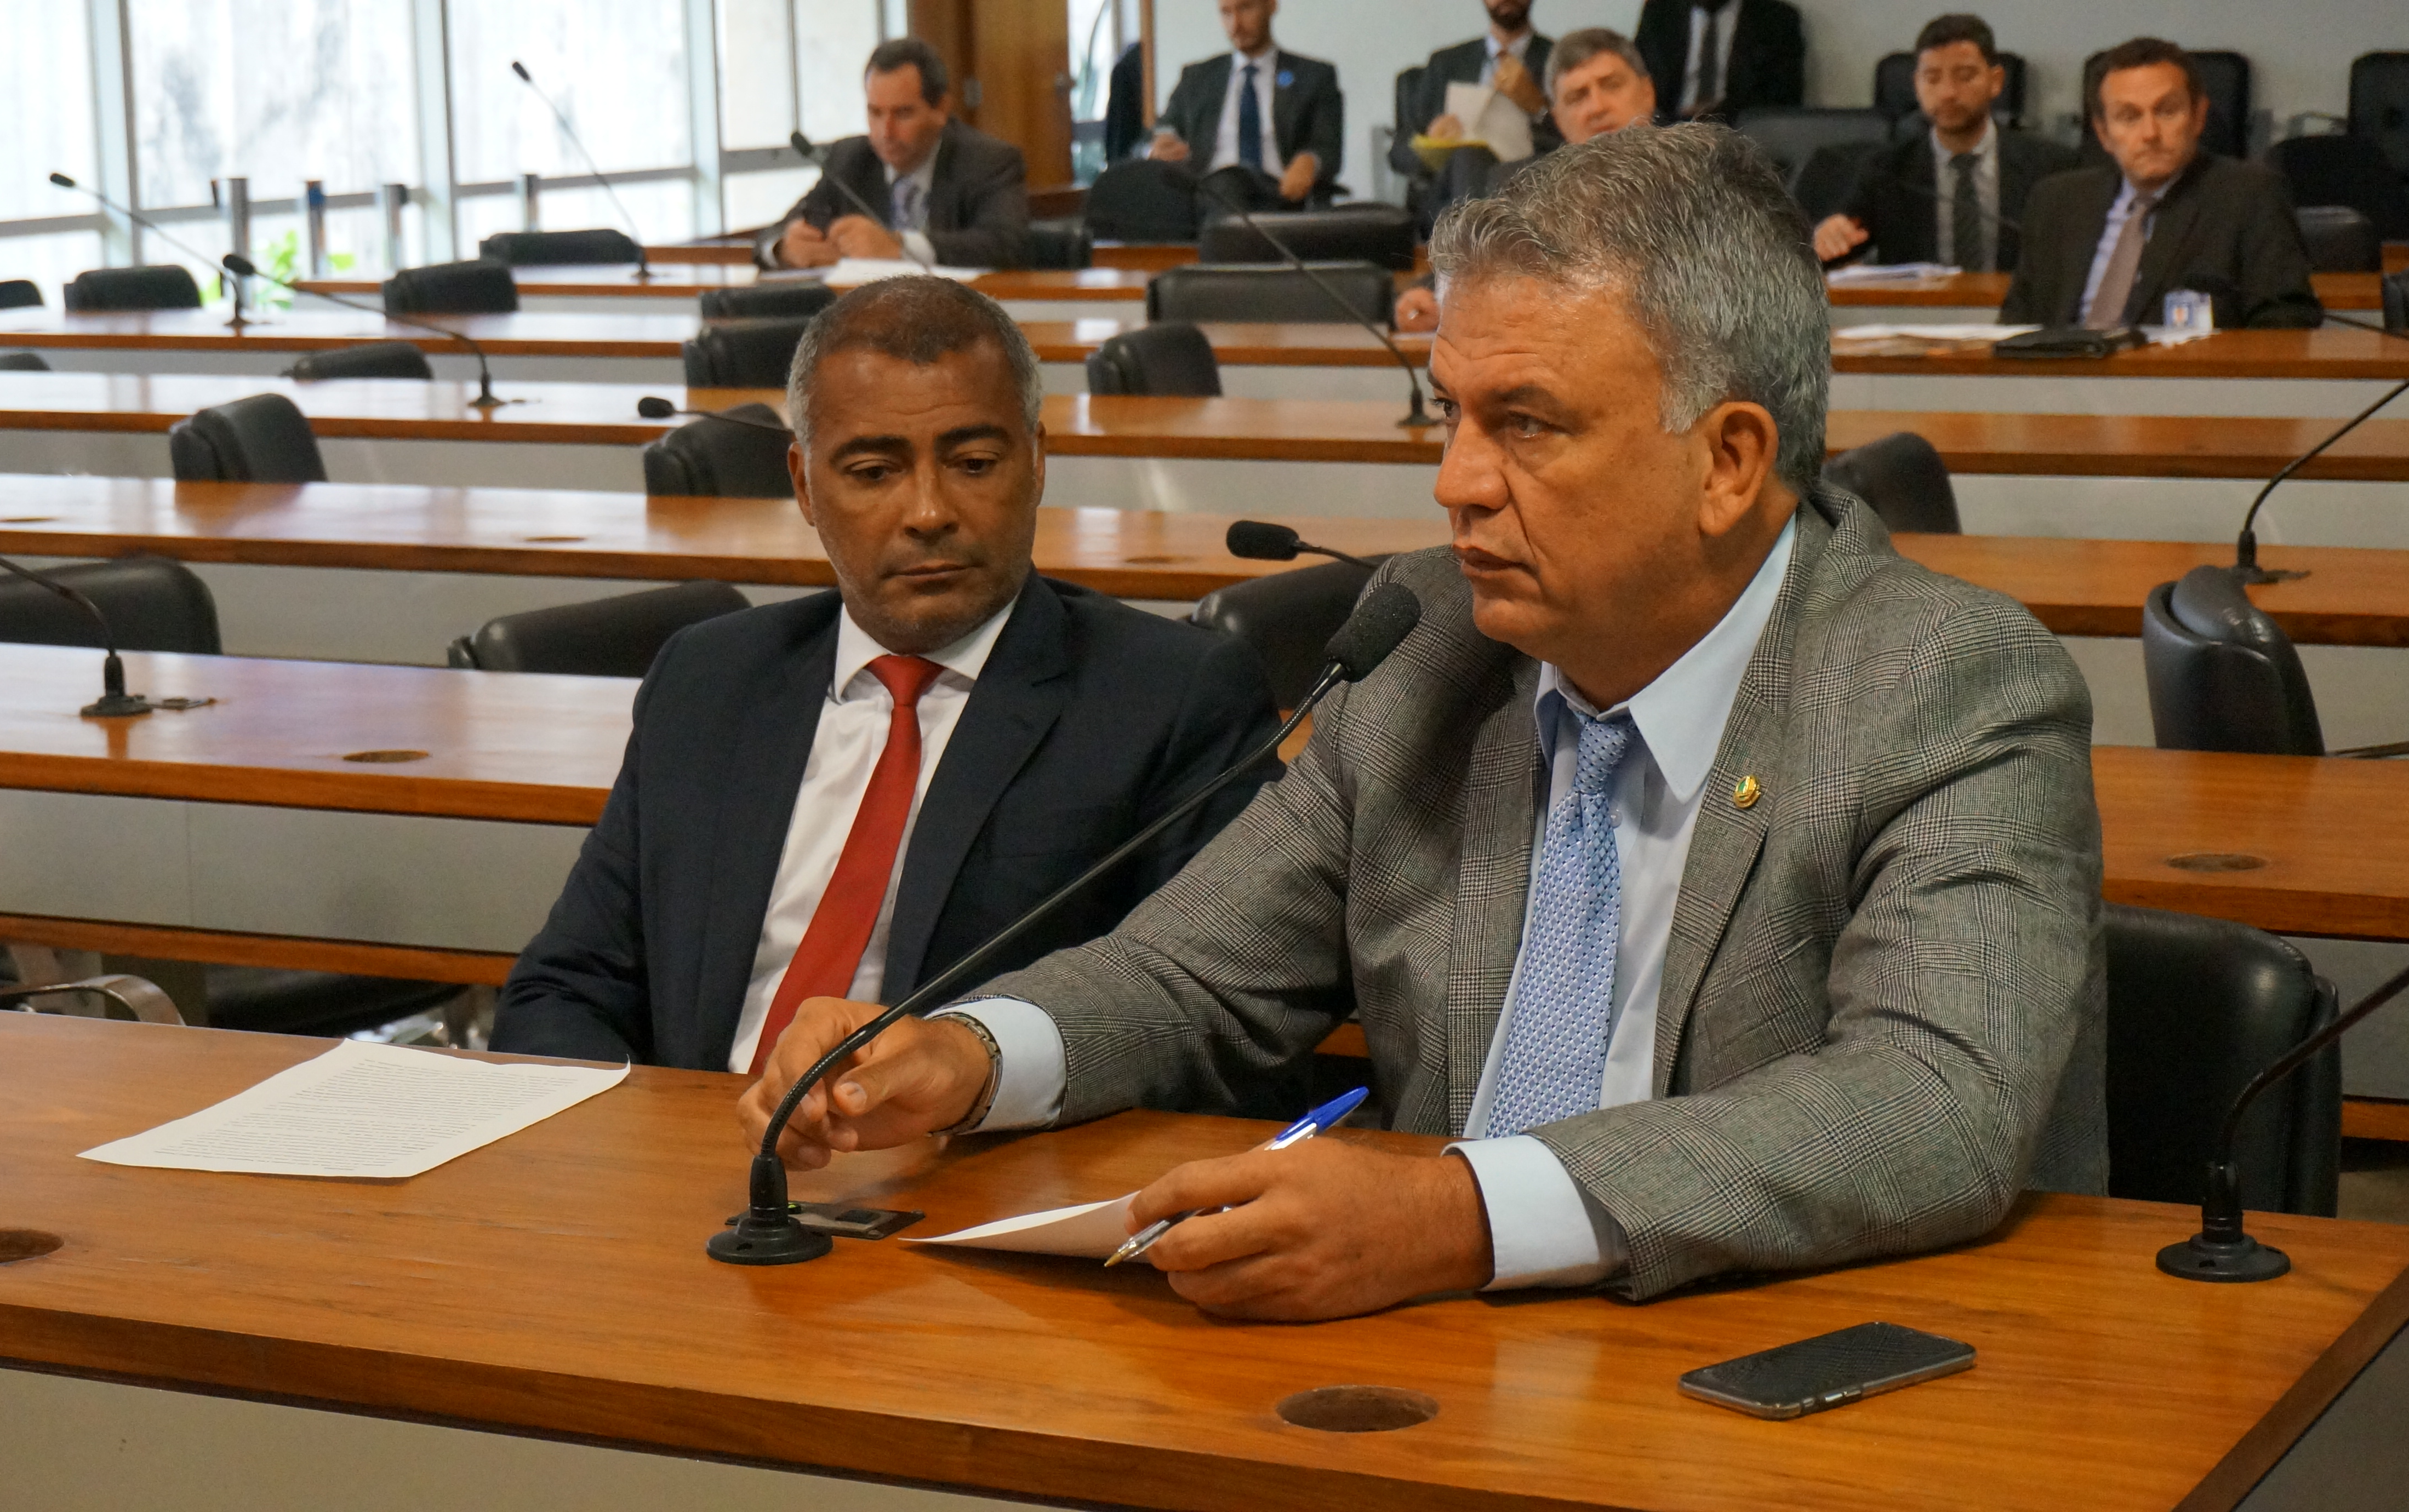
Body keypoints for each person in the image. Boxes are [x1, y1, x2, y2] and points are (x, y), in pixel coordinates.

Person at [744, 125, 2107, 1321]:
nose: (1455, 482)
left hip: (1767, 1368)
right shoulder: (1428, 644)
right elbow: (1192, 973)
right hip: (1424, 1357)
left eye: (1526, 425)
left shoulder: (1945, 681)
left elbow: (1930, 1098)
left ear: (1727, 460)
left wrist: (1457, 1214)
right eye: (1450, 413)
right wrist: (966, 1052)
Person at [492, 278, 1282, 1069]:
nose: (929, 511)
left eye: (974, 463)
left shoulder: (1172, 698)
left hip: (969, 1138)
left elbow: (1214, 1022)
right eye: (874, 472)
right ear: (804, 485)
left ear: (1037, 462)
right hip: (696, 1129)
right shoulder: (708, 679)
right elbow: (565, 987)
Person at [2000, 36, 2320, 330]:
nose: (2150, 133)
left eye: (2167, 112)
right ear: (2104, 133)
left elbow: (2286, 322)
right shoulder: (2057, 201)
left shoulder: (2250, 196)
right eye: (2129, 117)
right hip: (2060, 371)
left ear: (2198, 117)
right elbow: (2017, 322)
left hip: (2187, 372)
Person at [1395, 30, 1654, 332]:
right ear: (1558, 118)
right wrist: (1426, 298)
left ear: (1647, 92)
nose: (1597, 107)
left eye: (1611, 86)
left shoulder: (1696, 174)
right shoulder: (1524, 191)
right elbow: (1476, 266)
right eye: (1577, 97)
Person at [1812, 15, 2075, 273]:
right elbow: (1835, 254)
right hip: (1918, 302)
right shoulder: (1889, 170)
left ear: (1996, 82)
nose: (1948, 93)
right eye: (1932, 78)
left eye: (1965, 76)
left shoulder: (2051, 167)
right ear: (1917, 85)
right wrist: (1827, 240)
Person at [759, 39, 1031, 271]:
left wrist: (900, 246)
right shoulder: (849, 160)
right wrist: (783, 248)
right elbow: (774, 234)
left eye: (903, 114)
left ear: (941, 110)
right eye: (875, 113)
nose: (885, 132)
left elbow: (1006, 245)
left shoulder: (988, 161)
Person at [1149, 0, 1344, 212]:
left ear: (1271, 5)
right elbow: (1163, 128)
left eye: (1245, 8)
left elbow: (1328, 146)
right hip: (1211, 197)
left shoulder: (1313, 77)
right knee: (1227, 183)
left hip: (1282, 198)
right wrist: (1162, 142)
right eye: (1226, 13)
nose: (1235, 25)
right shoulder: (1197, 78)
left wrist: (1311, 161)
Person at [1389, 1, 1557, 226]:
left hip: (1533, 190)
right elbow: (1399, 153)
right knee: (1469, 157)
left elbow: (1578, 141)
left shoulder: (1560, 60)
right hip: (1451, 196)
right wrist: (1432, 141)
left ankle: (1476, 238)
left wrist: (1538, 107)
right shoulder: (1446, 64)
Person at [1632, 0, 1802, 123]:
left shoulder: (1777, 20)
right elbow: (1639, 79)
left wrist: (1718, 114)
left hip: (1741, 132)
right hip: (1669, 130)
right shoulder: (1660, 12)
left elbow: (1784, 98)